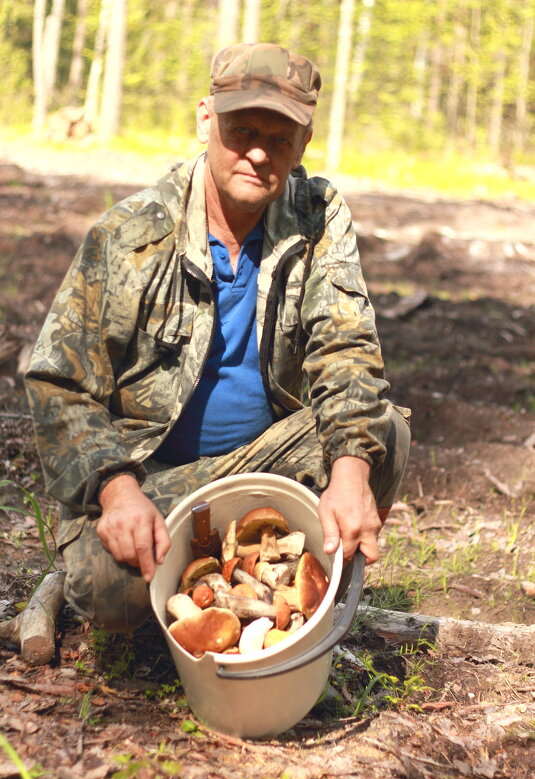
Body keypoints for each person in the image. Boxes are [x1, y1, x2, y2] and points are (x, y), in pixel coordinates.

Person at [25, 42, 410, 634]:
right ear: (207, 119)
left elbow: (346, 347)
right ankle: (163, 578)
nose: (258, 152)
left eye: (279, 138)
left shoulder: (317, 216)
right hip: (154, 480)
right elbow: (60, 384)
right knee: (107, 594)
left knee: (379, 435)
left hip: (269, 463)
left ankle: (300, 594)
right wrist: (116, 489)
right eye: (242, 129)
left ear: (303, 145)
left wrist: (352, 472)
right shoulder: (132, 235)